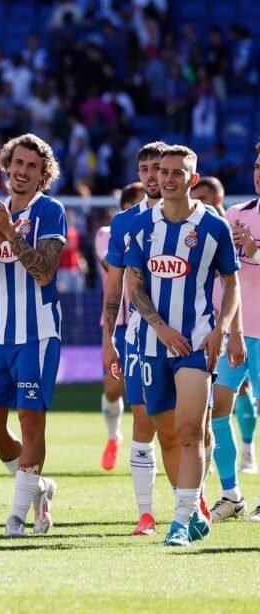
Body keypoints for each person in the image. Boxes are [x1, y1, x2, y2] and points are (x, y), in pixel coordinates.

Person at [124, 145, 243, 547]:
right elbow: (133, 285)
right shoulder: (141, 227)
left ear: (193, 180)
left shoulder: (213, 227)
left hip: (195, 346)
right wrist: (158, 327)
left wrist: (222, 328)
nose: (169, 178)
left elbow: (231, 283)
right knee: (168, 435)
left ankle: (180, 521)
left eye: (178, 172)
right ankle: (191, 512)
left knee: (191, 432)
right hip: (150, 346)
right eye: (164, 171)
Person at [0, 133, 66, 538]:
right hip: (0, 335)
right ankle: (38, 487)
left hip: (38, 333)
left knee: (30, 422)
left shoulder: (51, 211)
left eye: (32, 167)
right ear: (6, 166)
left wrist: (12, 234)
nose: (22, 172)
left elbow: (44, 271)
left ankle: (17, 517)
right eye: (17, 163)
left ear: (43, 175)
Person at [101, 143, 168, 536]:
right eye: (144, 168)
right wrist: (109, 336)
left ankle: (194, 500)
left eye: (157, 168)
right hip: (138, 338)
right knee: (144, 422)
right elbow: (114, 286)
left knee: (189, 427)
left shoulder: (201, 220)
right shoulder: (125, 222)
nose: (151, 175)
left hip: (188, 337)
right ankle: (146, 514)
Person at [208, 146, 260, 522]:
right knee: (217, 410)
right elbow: (225, 279)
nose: (259, 172)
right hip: (236, 335)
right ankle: (232, 496)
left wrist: (255, 252)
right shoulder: (236, 215)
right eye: (257, 165)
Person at [95, 182, 145, 468]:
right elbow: (115, 268)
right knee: (114, 387)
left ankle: (147, 451)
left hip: (147, 322)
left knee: (144, 388)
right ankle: (114, 437)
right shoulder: (107, 233)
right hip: (117, 324)